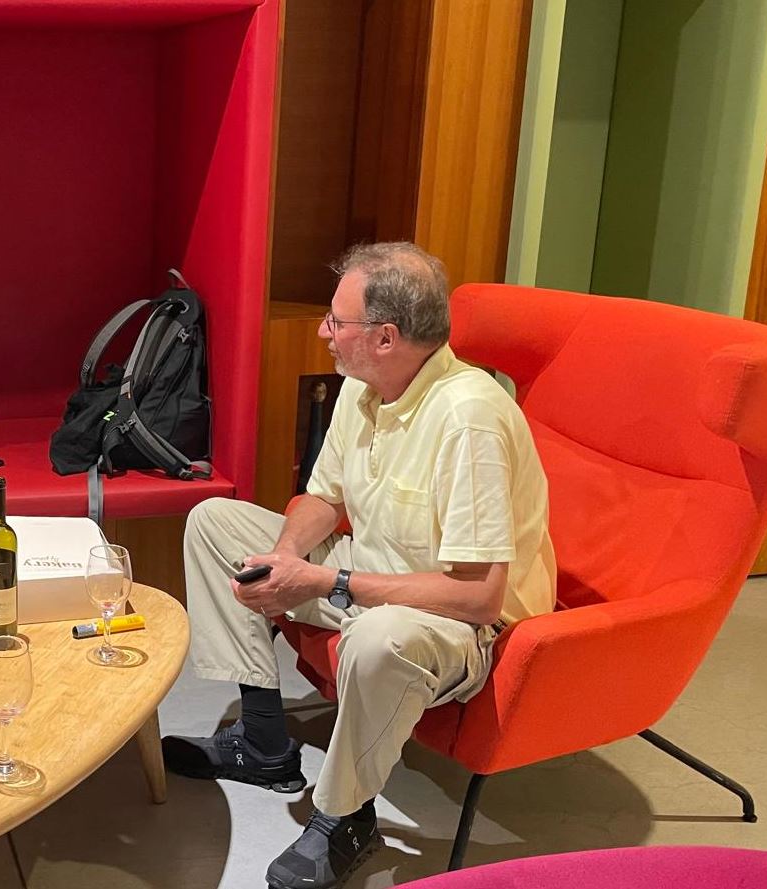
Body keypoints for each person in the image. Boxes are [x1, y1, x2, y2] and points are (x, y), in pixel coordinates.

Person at [164, 242, 556, 889]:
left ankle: (344, 816)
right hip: (369, 569)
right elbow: (324, 498)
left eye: (335, 320)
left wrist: (330, 581)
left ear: (385, 337)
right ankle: (262, 744)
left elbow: (480, 597)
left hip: (455, 623)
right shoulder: (364, 386)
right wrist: (285, 557)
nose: (325, 331)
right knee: (214, 522)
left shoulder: (469, 419)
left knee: (378, 635)